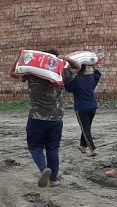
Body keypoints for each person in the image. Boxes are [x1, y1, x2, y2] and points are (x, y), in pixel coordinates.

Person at [24, 49, 79, 188]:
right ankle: (53, 180)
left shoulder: (32, 74)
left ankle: (44, 169)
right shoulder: (61, 73)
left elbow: (15, 72)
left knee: (35, 147)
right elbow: (77, 67)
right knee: (53, 149)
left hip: (36, 118)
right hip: (56, 119)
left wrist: (22, 56)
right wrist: (65, 58)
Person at [64, 62, 101, 156]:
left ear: (75, 69)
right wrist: (93, 64)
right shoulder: (91, 78)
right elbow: (97, 73)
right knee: (87, 127)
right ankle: (83, 147)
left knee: (85, 128)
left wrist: (68, 72)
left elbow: (67, 88)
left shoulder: (75, 80)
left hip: (81, 107)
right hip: (92, 106)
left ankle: (93, 149)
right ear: (85, 69)